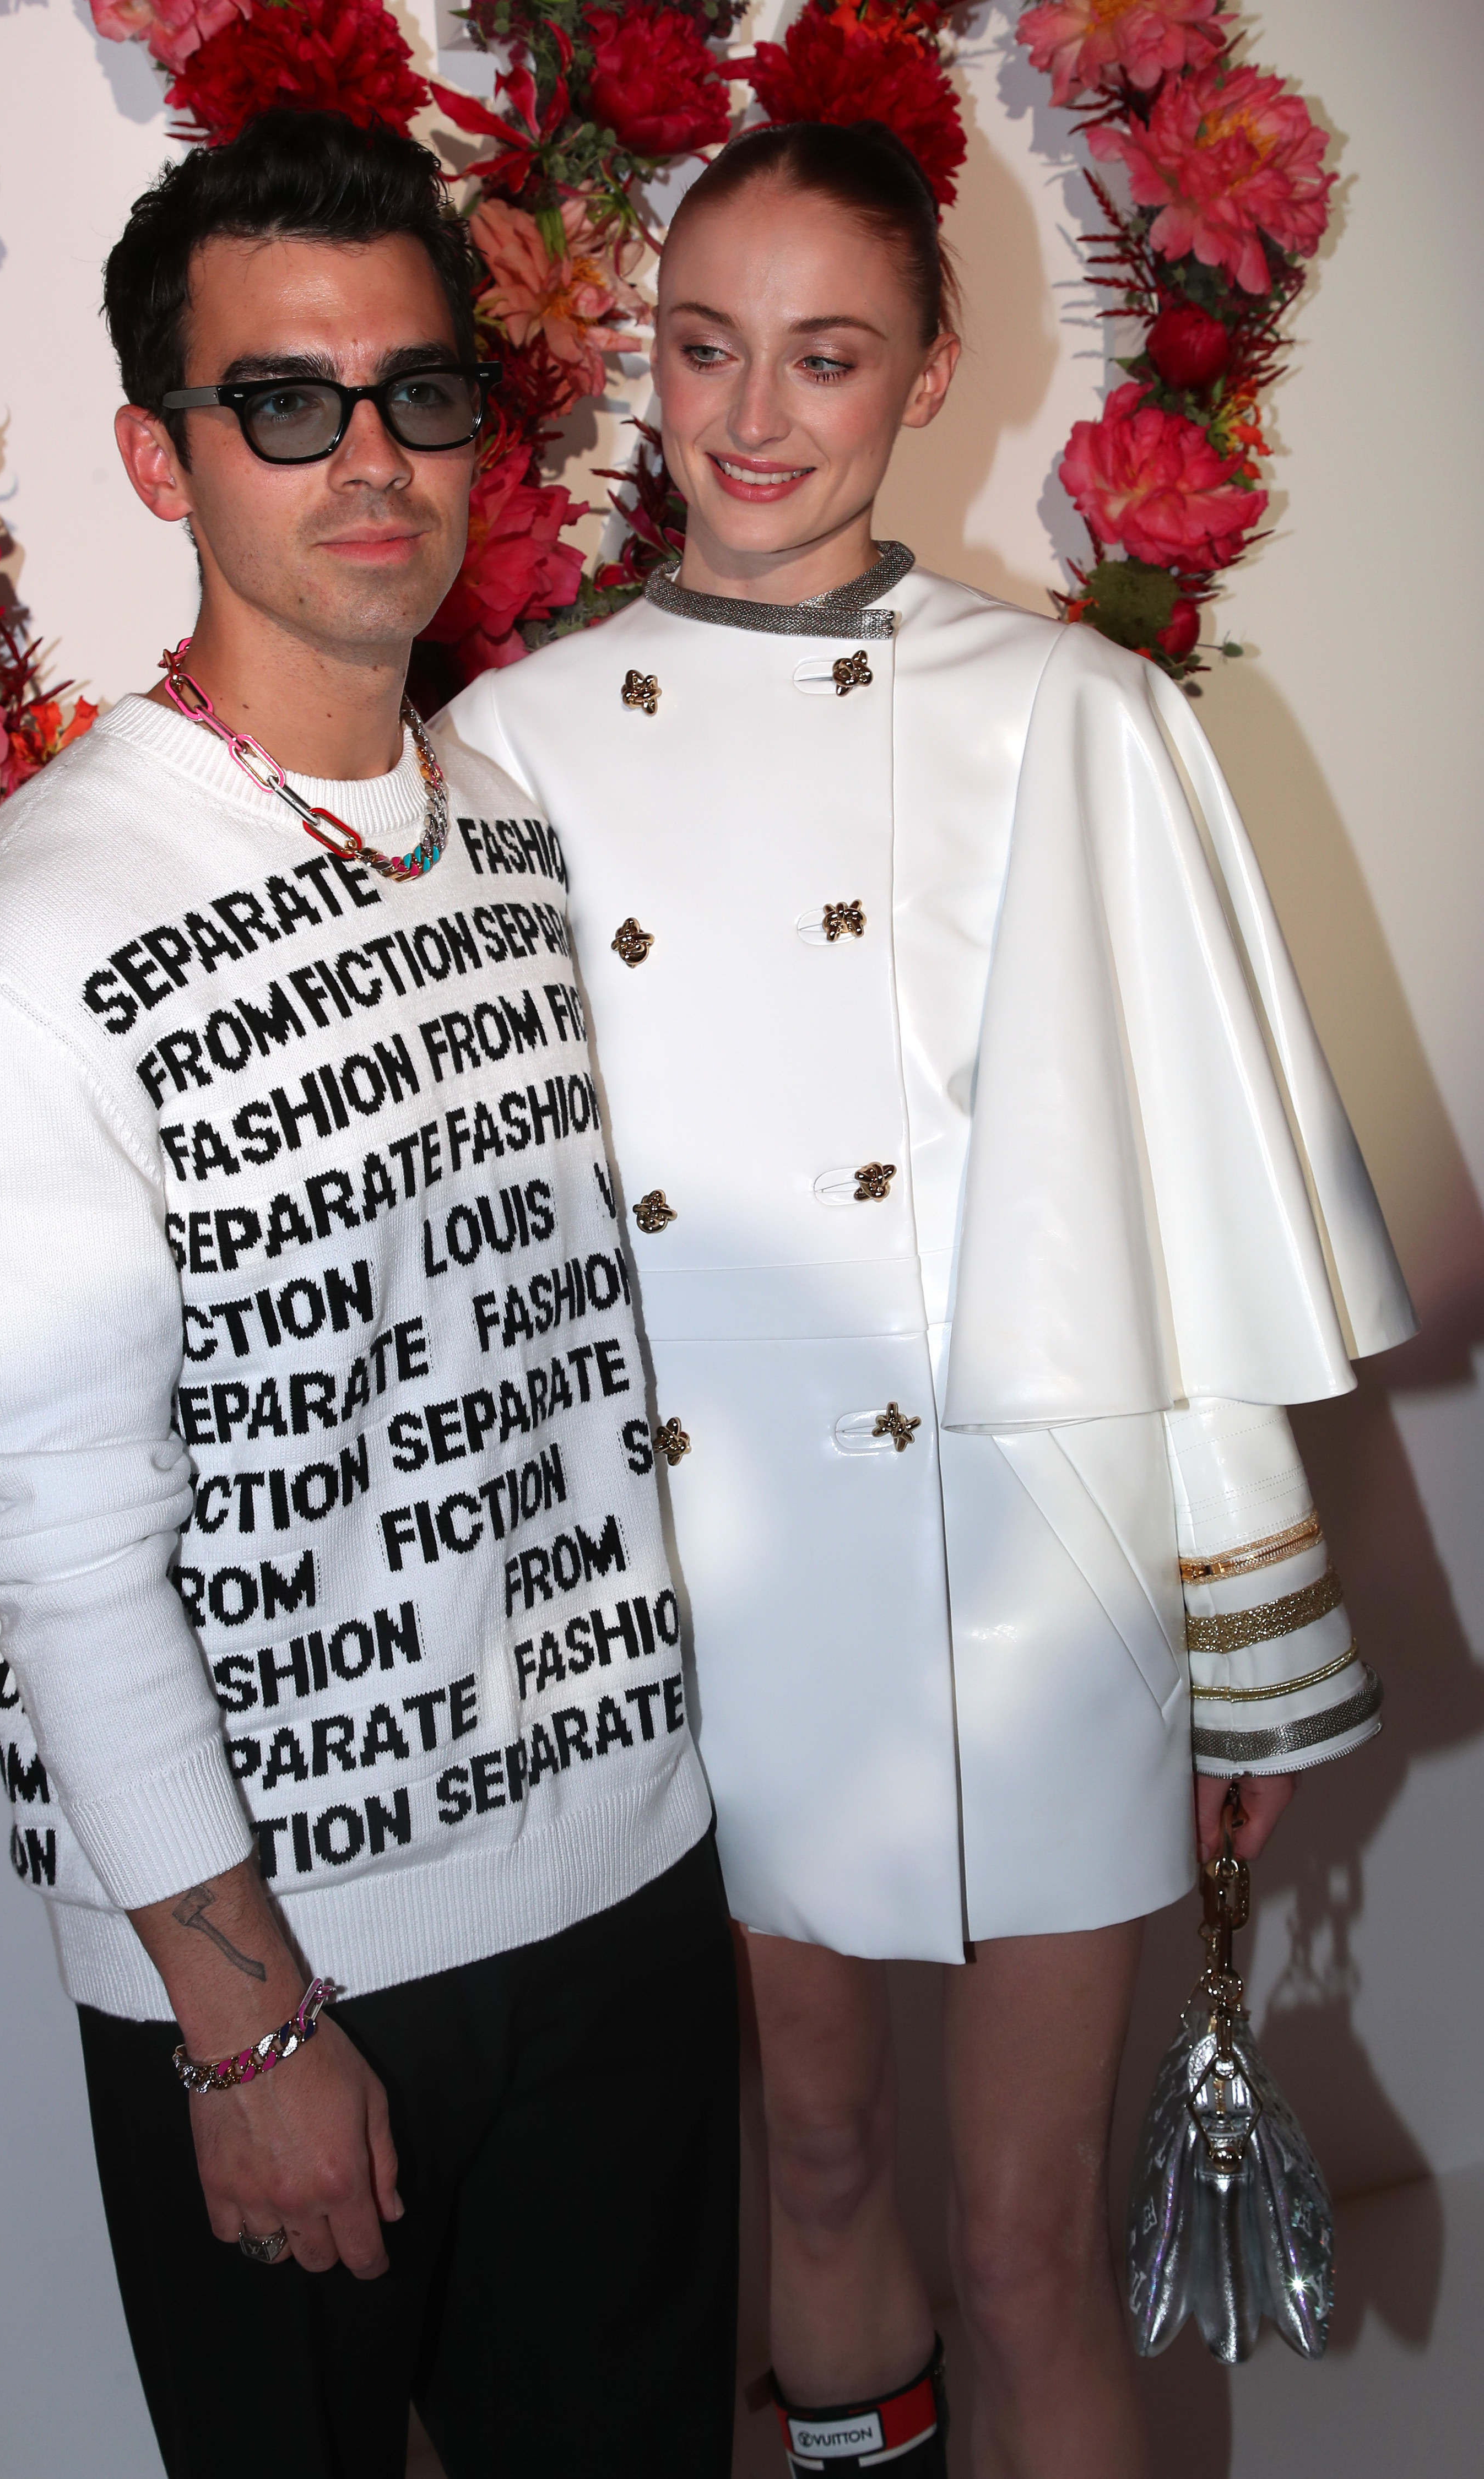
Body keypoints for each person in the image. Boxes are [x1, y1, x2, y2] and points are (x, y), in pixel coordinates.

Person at [440, 119, 1415, 2479]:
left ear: (930, 374)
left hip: (1040, 1568)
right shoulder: (513, 748)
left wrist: (1245, 1640)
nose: (753, 421)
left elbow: (1180, 1217)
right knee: (810, 2148)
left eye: (826, 355)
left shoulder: (1084, 720)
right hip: (715, 1556)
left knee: (1019, 2231)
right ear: (642, 365)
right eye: (702, 350)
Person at [0, 111, 739, 2479]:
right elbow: (47, 1527)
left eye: (418, 390)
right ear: (164, 457)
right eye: (285, 401)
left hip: (625, 1886)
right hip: (288, 1961)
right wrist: (245, 2034)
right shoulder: (44, 947)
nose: (369, 458)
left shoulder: (510, 828)